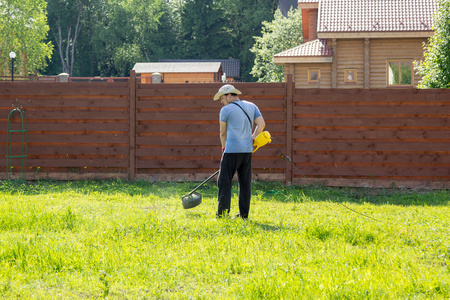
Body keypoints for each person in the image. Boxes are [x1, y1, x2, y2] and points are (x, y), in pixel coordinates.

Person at [213, 84, 266, 219]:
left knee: (224, 181)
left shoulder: (225, 110)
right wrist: (253, 138)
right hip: (247, 151)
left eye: (222, 97)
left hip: (231, 151)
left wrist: (223, 148)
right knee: (244, 183)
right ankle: (243, 215)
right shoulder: (251, 106)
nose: (221, 101)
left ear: (229, 95)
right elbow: (261, 124)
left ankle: (222, 214)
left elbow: (223, 133)